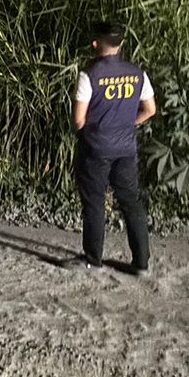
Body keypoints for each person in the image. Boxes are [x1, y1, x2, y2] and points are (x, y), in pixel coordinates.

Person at [67, 21, 157, 274]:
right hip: (126, 148)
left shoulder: (89, 75)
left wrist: (92, 132)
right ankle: (141, 264)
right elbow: (150, 109)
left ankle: (93, 259)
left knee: (94, 203)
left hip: (96, 149)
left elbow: (78, 119)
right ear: (121, 44)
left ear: (95, 44)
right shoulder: (138, 73)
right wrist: (129, 123)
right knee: (131, 202)